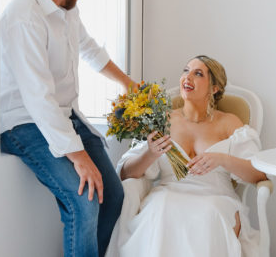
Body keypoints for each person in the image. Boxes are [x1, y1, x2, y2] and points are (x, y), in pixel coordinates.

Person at [0, 0, 135, 256]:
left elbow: (88, 48)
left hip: (65, 115)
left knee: (112, 196)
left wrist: (128, 84)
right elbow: (38, 98)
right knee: (84, 201)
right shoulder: (24, 16)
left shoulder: (64, 8)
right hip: (25, 122)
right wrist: (78, 155)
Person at [110, 55, 267, 257]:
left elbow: (258, 174)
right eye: (186, 70)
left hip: (215, 198)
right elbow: (126, 173)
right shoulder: (163, 119)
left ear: (214, 87)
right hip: (168, 194)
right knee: (160, 207)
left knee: (208, 212)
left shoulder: (229, 123)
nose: (188, 77)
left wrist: (222, 159)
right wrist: (150, 153)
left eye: (198, 73)